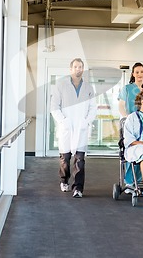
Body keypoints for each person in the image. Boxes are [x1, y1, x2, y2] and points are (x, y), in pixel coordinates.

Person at [50, 58, 97, 198]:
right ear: (71, 69)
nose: (78, 69)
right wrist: (63, 121)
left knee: (80, 160)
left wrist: (86, 121)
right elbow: (54, 107)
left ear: (83, 69)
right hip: (66, 126)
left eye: (80, 67)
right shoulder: (61, 85)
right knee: (65, 159)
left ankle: (78, 188)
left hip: (81, 128)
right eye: (75, 67)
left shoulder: (88, 87)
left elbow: (93, 108)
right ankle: (64, 181)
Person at [118, 62, 143, 190]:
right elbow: (121, 105)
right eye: (137, 72)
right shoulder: (127, 88)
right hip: (130, 124)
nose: (139, 74)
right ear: (133, 74)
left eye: (141, 72)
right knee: (132, 149)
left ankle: (140, 179)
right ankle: (129, 181)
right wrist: (126, 117)